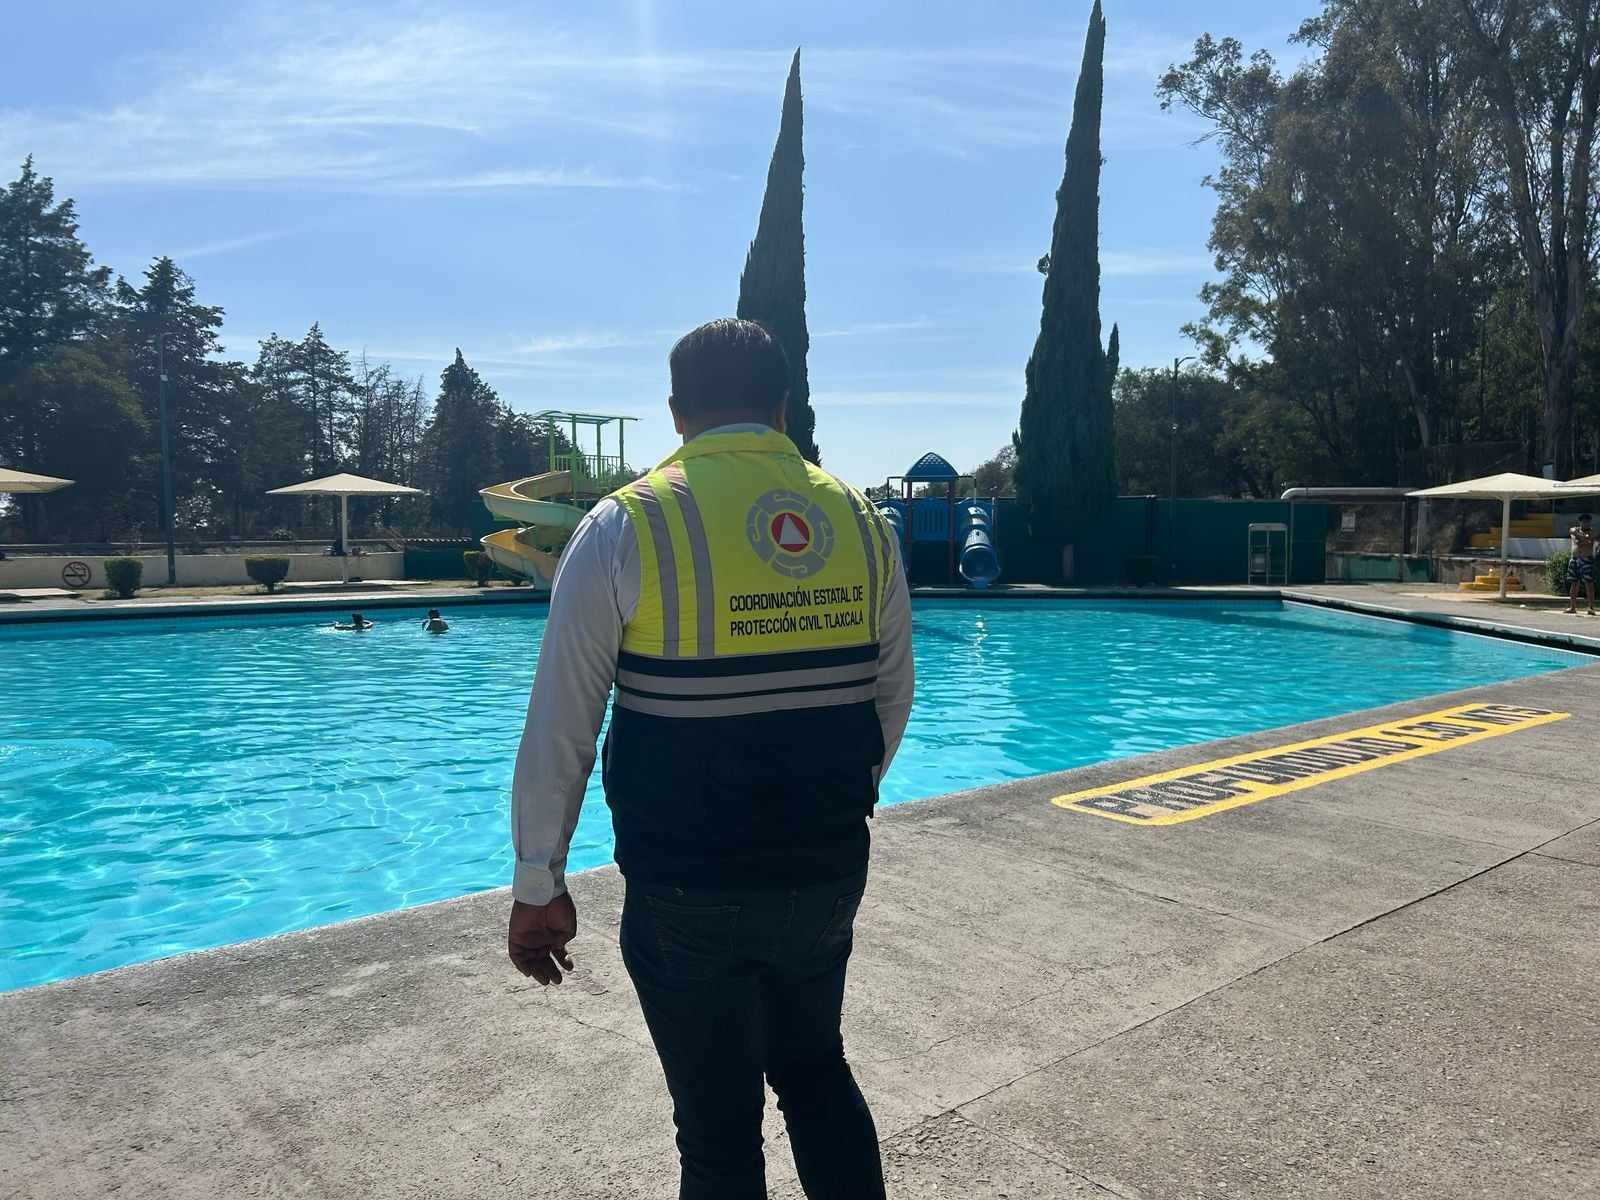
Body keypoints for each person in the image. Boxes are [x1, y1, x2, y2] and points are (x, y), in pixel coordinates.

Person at [506, 318, 913, 1199]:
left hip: (687, 884)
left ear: (676, 413)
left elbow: (562, 727)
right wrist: (832, 799)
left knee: (719, 1134)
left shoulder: (625, 526)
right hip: (826, 870)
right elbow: (890, 698)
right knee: (818, 1075)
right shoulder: (863, 522)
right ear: (783, 407)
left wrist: (540, 883)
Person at [1567, 513, 1596, 616]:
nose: (1585, 523)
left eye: (1587, 521)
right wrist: (1584, 539)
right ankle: (1572, 607)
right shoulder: (1574, 529)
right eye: (1583, 521)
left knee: (1589, 583)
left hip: (1586, 559)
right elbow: (1577, 539)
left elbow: (1585, 540)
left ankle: (1591, 607)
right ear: (1580, 522)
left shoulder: (1592, 531)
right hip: (1574, 559)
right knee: (1574, 583)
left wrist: (1580, 537)